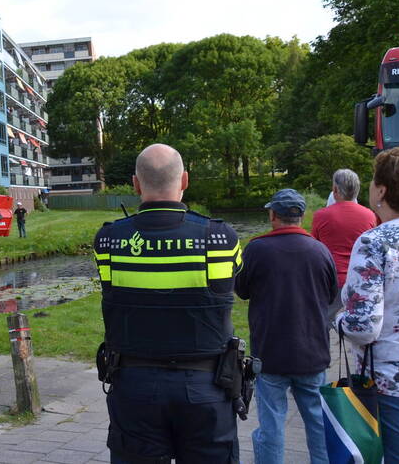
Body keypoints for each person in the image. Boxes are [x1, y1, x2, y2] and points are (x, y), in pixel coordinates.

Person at [94, 143, 243, 462]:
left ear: (136, 184)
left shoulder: (108, 240)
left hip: (133, 386)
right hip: (206, 387)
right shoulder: (220, 238)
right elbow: (230, 283)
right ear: (185, 180)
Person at [234, 188, 337, 464]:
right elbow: (331, 294)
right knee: (317, 424)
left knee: (272, 425)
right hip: (313, 352)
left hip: (271, 353)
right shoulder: (320, 250)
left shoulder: (257, 249)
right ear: (301, 216)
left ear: (272, 215)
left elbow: (241, 290)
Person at [338, 147, 399, 460]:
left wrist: (338, 320)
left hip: (393, 384)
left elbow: (363, 327)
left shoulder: (375, 241)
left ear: (381, 191)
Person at [311, 168, 378, 289]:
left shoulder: (321, 215)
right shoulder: (370, 216)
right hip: (360, 279)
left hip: (330, 280)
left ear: (335, 189)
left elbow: (314, 249)